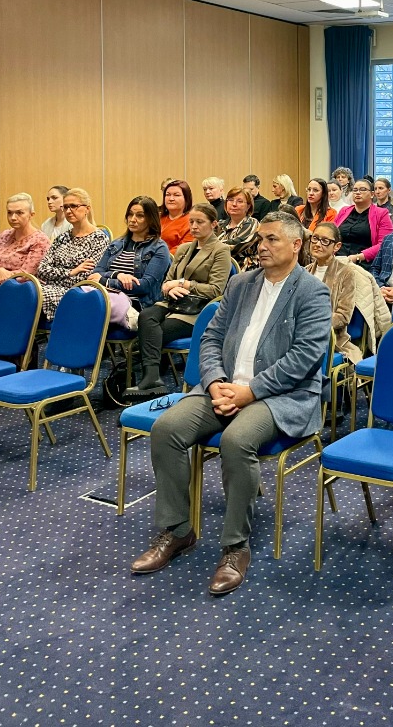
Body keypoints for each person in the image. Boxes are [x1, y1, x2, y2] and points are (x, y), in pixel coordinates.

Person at [131, 211, 331, 595]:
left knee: (237, 440)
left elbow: (305, 357)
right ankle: (177, 530)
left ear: (296, 245)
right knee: (166, 429)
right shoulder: (241, 283)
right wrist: (215, 383)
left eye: (272, 239)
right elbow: (210, 338)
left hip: (279, 395)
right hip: (223, 388)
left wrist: (250, 392)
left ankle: (236, 546)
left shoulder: (312, 292)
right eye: (260, 239)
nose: (262, 246)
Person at [125, 203, 231, 399]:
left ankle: (150, 379)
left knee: (156, 331)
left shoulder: (220, 250)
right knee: (145, 316)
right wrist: (169, 287)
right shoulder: (183, 249)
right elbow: (167, 281)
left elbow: (216, 290)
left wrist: (183, 284)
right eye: (191, 222)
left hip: (197, 309)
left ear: (214, 224)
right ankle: (153, 378)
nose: (194, 226)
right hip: (172, 302)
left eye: (200, 222)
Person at [88, 195, 170, 329]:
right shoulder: (116, 244)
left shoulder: (159, 248)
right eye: (130, 214)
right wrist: (117, 275)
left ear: (151, 219)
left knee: (88, 310)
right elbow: (96, 273)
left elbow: (145, 285)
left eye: (140, 216)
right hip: (108, 297)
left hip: (137, 305)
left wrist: (105, 281)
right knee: (79, 300)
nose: (132, 219)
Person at [35, 188, 108, 320]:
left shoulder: (99, 238)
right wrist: (71, 272)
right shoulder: (62, 238)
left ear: (87, 209)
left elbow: (87, 278)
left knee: (31, 294)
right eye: (66, 207)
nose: (68, 211)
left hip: (77, 292)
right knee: (24, 290)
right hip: (51, 289)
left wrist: (56, 276)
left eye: (73, 206)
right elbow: (41, 270)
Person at [0, 194, 49, 319]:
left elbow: (24, 276)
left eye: (19, 213)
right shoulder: (4, 235)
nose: (13, 218)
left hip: (21, 289)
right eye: (10, 213)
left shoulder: (40, 240)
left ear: (31, 215)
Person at [306, 221, 361, 363]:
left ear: (337, 246)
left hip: (331, 338)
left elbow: (343, 317)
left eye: (325, 241)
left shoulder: (346, 273)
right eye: (315, 238)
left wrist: (311, 323)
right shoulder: (304, 271)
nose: (317, 244)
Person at [334, 178, 393, 266]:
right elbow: (331, 234)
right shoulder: (344, 211)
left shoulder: (381, 213)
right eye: (355, 190)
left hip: (363, 262)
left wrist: (358, 257)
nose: (358, 192)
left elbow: (384, 244)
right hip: (337, 259)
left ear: (372, 194)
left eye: (363, 189)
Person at [217, 186, 260, 270]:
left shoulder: (252, 223)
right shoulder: (221, 224)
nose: (234, 204)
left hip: (246, 269)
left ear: (248, 206)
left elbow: (237, 244)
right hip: (221, 267)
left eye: (239, 201)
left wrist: (211, 247)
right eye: (230, 200)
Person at [160, 180, 193, 252]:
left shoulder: (192, 222)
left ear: (186, 198)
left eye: (176, 195)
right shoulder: (158, 218)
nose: (171, 199)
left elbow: (183, 250)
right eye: (168, 195)